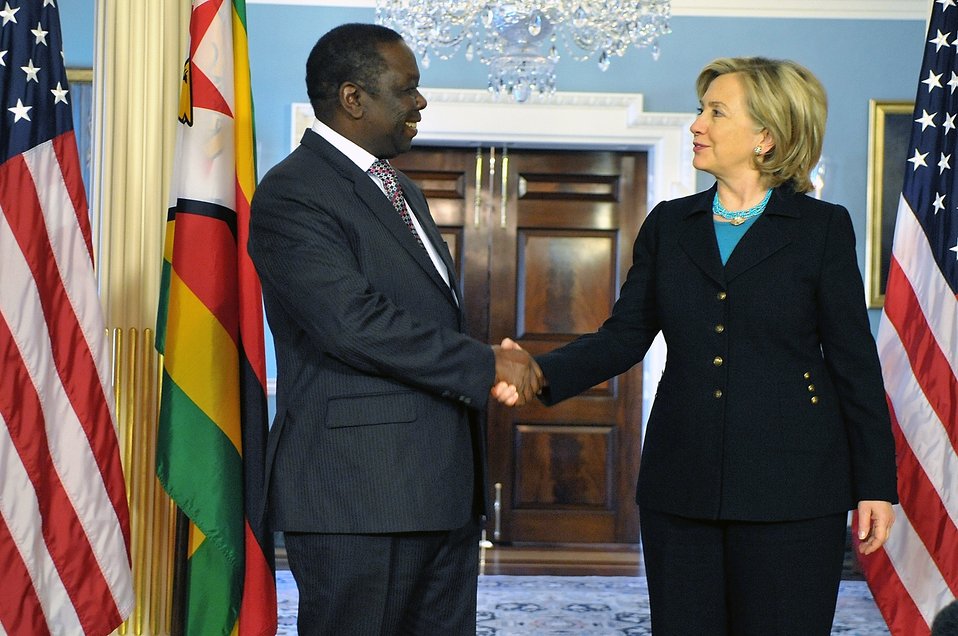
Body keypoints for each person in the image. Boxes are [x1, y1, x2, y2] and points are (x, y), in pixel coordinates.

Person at [496, 57, 898, 635]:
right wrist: (537, 370)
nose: (696, 124)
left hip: (796, 488)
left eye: (715, 111)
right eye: (700, 110)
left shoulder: (821, 228)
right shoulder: (668, 224)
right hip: (681, 485)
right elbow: (625, 336)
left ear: (766, 135)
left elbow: (856, 364)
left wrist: (876, 486)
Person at [248, 23, 541, 635]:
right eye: (406, 89)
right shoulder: (294, 192)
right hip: (359, 493)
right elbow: (352, 324)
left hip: (435, 488)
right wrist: (486, 364)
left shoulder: (398, 187)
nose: (420, 103)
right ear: (354, 98)